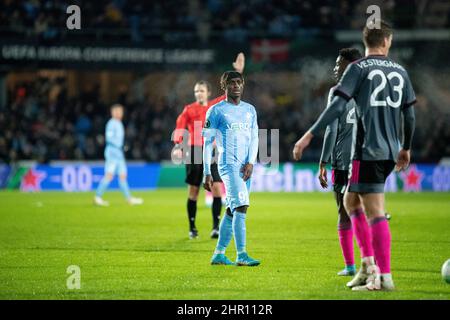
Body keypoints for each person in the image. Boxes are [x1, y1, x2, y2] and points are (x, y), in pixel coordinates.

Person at [293, 20, 416, 291]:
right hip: (389, 150)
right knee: (351, 202)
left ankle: (383, 276)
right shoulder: (400, 70)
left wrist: (309, 134)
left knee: (374, 212)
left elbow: (337, 106)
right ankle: (365, 266)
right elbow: (409, 114)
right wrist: (405, 147)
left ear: (366, 41)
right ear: (386, 41)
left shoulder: (358, 69)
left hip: (366, 151)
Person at [173, 53, 245, 239]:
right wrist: (179, 145)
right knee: (194, 190)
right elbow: (180, 127)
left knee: (216, 188)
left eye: (201, 91)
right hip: (194, 151)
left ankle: (215, 227)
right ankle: (192, 227)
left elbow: (228, 92)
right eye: (196, 91)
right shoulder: (189, 109)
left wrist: (237, 72)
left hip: (212, 151)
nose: (199, 94)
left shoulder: (214, 105)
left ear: (208, 93)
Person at [203, 71, 260, 266]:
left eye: (239, 82)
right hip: (228, 164)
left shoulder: (250, 110)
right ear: (224, 86)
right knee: (241, 206)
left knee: (232, 209)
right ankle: (241, 254)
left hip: (246, 167)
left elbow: (255, 138)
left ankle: (218, 254)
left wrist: (251, 161)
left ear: (243, 84)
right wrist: (207, 172)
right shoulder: (216, 111)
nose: (236, 85)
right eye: (231, 83)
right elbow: (207, 143)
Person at [318, 48, 363, 277]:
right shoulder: (370, 89)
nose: (335, 68)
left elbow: (331, 129)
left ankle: (350, 266)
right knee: (368, 211)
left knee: (343, 211)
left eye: (339, 64)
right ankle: (371, 263)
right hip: (367, 160)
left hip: (343, 162)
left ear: (351, 66)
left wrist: (323, 162)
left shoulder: (337, 91)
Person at [94, 104, 143, 206]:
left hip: (119, 153)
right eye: (117, 111)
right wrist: (119, 146)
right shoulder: (111, 123)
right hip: (112, 151)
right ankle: (97, 197)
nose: (119, 113)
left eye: (120, 111)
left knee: (122, 176)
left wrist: (122, 146)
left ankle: (129, 198)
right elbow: (109, 139)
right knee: (109, 175)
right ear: (113, 112)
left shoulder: (119, 123)